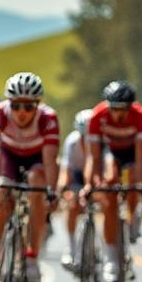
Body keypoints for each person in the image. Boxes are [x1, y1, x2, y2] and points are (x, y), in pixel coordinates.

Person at [0, 72, 59, 282]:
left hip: (36, 159)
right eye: (16, 105)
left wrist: (51, 191)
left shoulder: (48, 118)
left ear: (37, 105)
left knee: (38, 186)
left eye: (28, 107)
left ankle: (30, 259)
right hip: (9, 155)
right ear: (9, 104)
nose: (21, 112)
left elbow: (50, 161)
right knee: (4, 196)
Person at [84, 81, 142, 282]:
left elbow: (140, 157)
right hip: (109, 152)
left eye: (123, 110)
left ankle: (132, 220)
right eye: (114, 109)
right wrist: (94, 182)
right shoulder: (97, 116)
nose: (118, 114)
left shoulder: (141, 116)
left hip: (131, 153)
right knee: (109, 190)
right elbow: (94, 157)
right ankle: (111, 259)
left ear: (131, 107)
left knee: (132, 179)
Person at [58, 108, 92, 271]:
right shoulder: (72, 142)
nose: (87, 140)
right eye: (84, 136)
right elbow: (66, 170)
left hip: (95, 174)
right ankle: (71, 248)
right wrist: (64, 189)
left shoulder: (101, 142)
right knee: (72, 204)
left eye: (90, 136)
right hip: (77, 175)